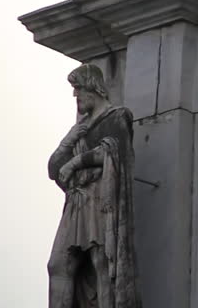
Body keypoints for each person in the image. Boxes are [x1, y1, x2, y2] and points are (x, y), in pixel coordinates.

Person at [46, 64, 141, 308]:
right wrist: (70, 140)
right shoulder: (79, 128)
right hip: (77, 201)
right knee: (58, 264)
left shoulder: (117, 116)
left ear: (92, 87)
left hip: (101, 197)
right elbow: (54, 168)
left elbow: (115, 152)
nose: (75, 95)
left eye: (77, 88)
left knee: (102, 261)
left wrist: (76, 162)